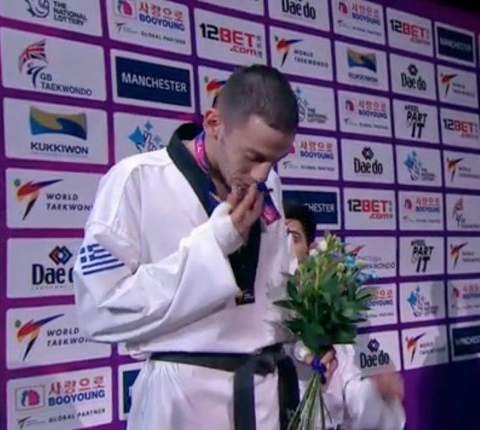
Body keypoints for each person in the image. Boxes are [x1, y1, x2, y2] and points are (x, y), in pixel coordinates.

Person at [73, 65, 336, 430]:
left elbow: (269, 291)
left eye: (275, 160)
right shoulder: (136, 180)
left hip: (265, 397)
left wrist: (304, 338)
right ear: (214, 123)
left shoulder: (268, 184)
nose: (262, 174)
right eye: (253, 157)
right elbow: (99, 308)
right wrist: (215, 243)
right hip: (183, 402)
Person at [283, 200, 407, 430]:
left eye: (294, 238)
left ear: (309, 249)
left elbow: (352, 394)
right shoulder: (249, 313)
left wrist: (378, 392)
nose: (285, 246)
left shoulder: (325, 312)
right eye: (278, 237)